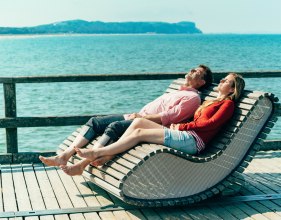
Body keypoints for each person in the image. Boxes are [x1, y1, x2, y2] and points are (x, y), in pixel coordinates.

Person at [39, 65, 213, 174]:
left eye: (196, 72)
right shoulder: (180, 90)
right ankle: (64, 155)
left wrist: (142, 117)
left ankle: (83, 164)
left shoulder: (192, 99)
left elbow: (167, 118)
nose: (191, 71)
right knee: (95, 122)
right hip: (136, 116)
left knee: (114, 127)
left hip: (149, 124)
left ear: (202, 82)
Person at [62, 73, 245, 175]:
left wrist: (180, 127)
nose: (221, 81)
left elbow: (208, 124)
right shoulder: (211, 102)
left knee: (140, 133)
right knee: (139, 122)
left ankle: (95, 154)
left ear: (232, 88)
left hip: (193, 141)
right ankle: (100, 158)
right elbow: (199, 121)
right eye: (222, 79)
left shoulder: (227, 104)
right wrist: (180, 127)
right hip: (186, 135)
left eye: (225, 81)